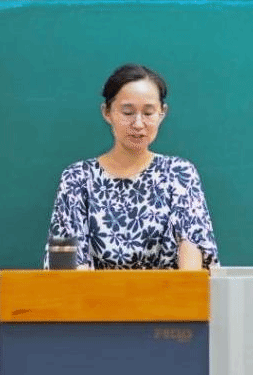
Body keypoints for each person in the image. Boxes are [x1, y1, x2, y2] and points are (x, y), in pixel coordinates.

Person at [44, 64, 219, 270]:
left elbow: (192, 256)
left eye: (148, 113)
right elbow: (66, 268)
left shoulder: (179, 174)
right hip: (92, 291)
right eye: (127, 112)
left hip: (167, 291)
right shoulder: (77, 178)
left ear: (162, 113)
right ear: (107, 112)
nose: (138, 124)